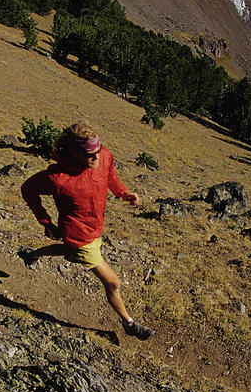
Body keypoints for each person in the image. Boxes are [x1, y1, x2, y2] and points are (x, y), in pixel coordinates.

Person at [19, 121, 155, 340]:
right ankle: (129, 323)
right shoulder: (58, 178)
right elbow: (27, 189)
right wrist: (46, 222)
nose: (97, 158)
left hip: (94, 227)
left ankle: (34, 253)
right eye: (89, 154)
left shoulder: (104, 157)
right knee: (113, 282)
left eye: (98, 151)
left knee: (70, 251)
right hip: (79, 235)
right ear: (72, 153)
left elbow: (109, 174)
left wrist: (122, 193)